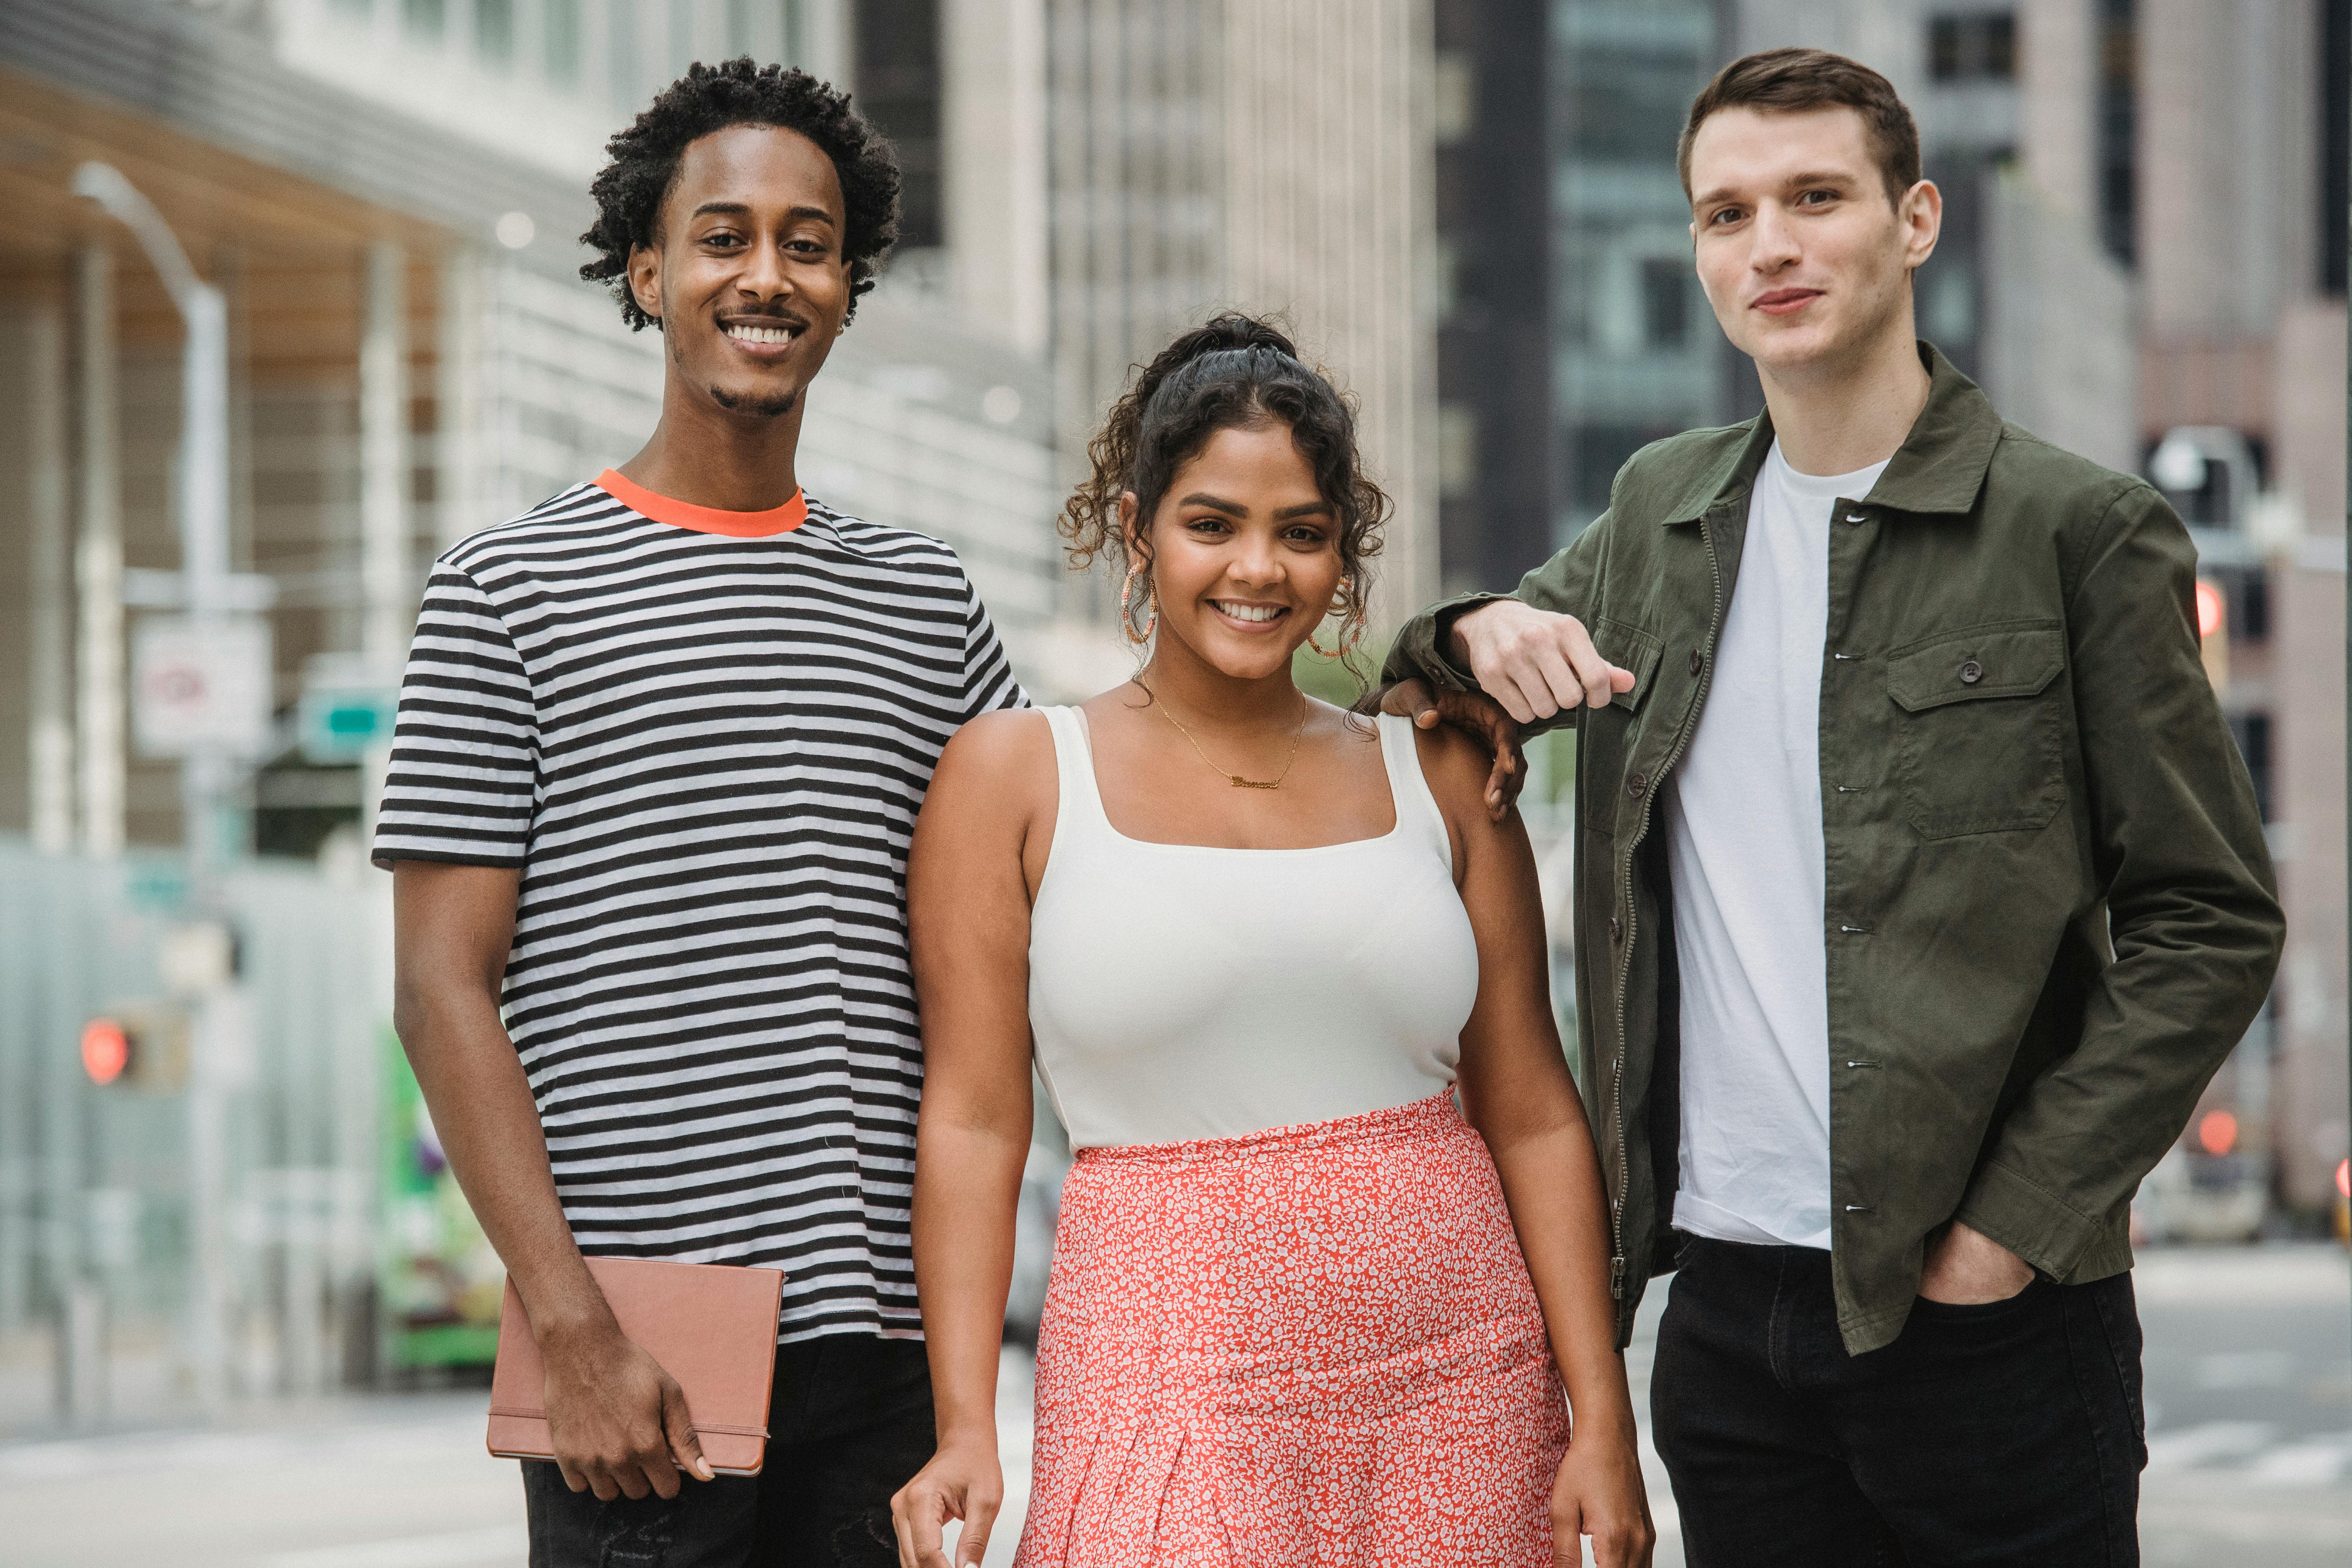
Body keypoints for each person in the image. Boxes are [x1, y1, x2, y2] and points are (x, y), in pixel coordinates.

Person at [1380, 47, 2284, 1566]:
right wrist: (1466, 630)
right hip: (1727, 1316)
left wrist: (2011, 1227)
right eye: (1726, 214)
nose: (1770, 247)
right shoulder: (1656, 515)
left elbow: (2209, 914)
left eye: (1814, 198)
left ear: (1914, 220)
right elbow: (1421, 681)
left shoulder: (2076, 530)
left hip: (1985, 1318)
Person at [375, 60, 1023, 1565]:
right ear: (648, 268)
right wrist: (568, 1329)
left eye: (808, 243)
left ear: (850, 289)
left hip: (878, 1347)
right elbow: (437, 988)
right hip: (636, 1357)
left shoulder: (926, 603)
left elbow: (1052, 892)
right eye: (723, 235)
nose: (766, 274)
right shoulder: (506, 590)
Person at [888, 316, 1654, 1568]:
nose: (1258, 568)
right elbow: (973, 1119)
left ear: (1341, 554)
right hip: (1163, 1358)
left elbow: (1531, 1108)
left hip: (1458, 1368)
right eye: (1211, 524)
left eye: (1301, 532)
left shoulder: (1446, 769)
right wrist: (964, 1425)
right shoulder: (1017, 774)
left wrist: (1601, 1416)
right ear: (1135, 531)